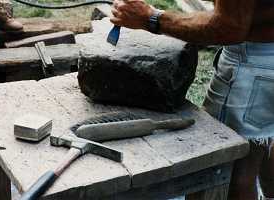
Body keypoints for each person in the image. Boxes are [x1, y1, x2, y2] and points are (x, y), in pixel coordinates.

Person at [110, 0, 274, 200]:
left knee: (228, 171)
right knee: (265, 142)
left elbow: (228, 27)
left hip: (254, 66)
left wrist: (152, 18)